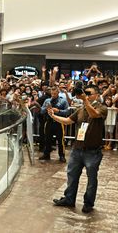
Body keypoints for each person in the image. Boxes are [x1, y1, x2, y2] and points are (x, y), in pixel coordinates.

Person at [49, 85, 107, 213]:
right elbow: (68, 121)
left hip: (92, 151)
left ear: (97, 95)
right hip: (77, 149)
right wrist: (53, 116)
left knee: (91, 179)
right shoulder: (80, 109)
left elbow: (94, 114)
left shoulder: (102, 108)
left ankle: (88, 203)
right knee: (72, 175)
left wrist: (85, 101)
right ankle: (69, 199)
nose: (86, 95)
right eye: (85, 93)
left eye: (89, 93)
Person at [39, 86, 69, 162]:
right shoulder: (47, 100)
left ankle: (62, 155)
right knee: (47, 139)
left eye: (55, 94)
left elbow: (67, 112)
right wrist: (46, 108)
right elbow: (41, 111)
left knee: (60, 140)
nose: (53, 95)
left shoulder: (63, 101)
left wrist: (58, 111)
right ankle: (46, 154)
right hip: (49, 121)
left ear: (58, 93)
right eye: (52, 94)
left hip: (59, 122)